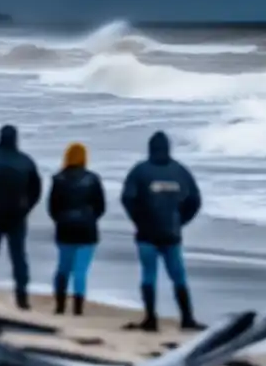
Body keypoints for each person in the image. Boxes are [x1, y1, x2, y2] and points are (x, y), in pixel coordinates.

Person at [121, 131, 204, 332]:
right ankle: (187, 318)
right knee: (178, 276)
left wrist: (139, 220)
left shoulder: (140, 171)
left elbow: (127, 199)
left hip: (146, 235)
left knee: (149, 276)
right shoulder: (180, 171)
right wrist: (180, 221)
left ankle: (151, 319)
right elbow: (195, 201)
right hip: (171, 234)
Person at [0, 124, 42, 309]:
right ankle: (21, 295)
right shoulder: (25, 161)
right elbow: (36, 190)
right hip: (17, 217)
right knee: (19, 257)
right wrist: (26, 209)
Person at [48, 143, 106, 315]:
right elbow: (100, 206)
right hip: (87, 231)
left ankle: (60, 306)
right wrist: (90, 218)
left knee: (63, 268)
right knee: (80, 271)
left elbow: (52, 207)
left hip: (65, 230)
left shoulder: (58, 179)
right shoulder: (93, 179)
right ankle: (78, 309)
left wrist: (61, 220)